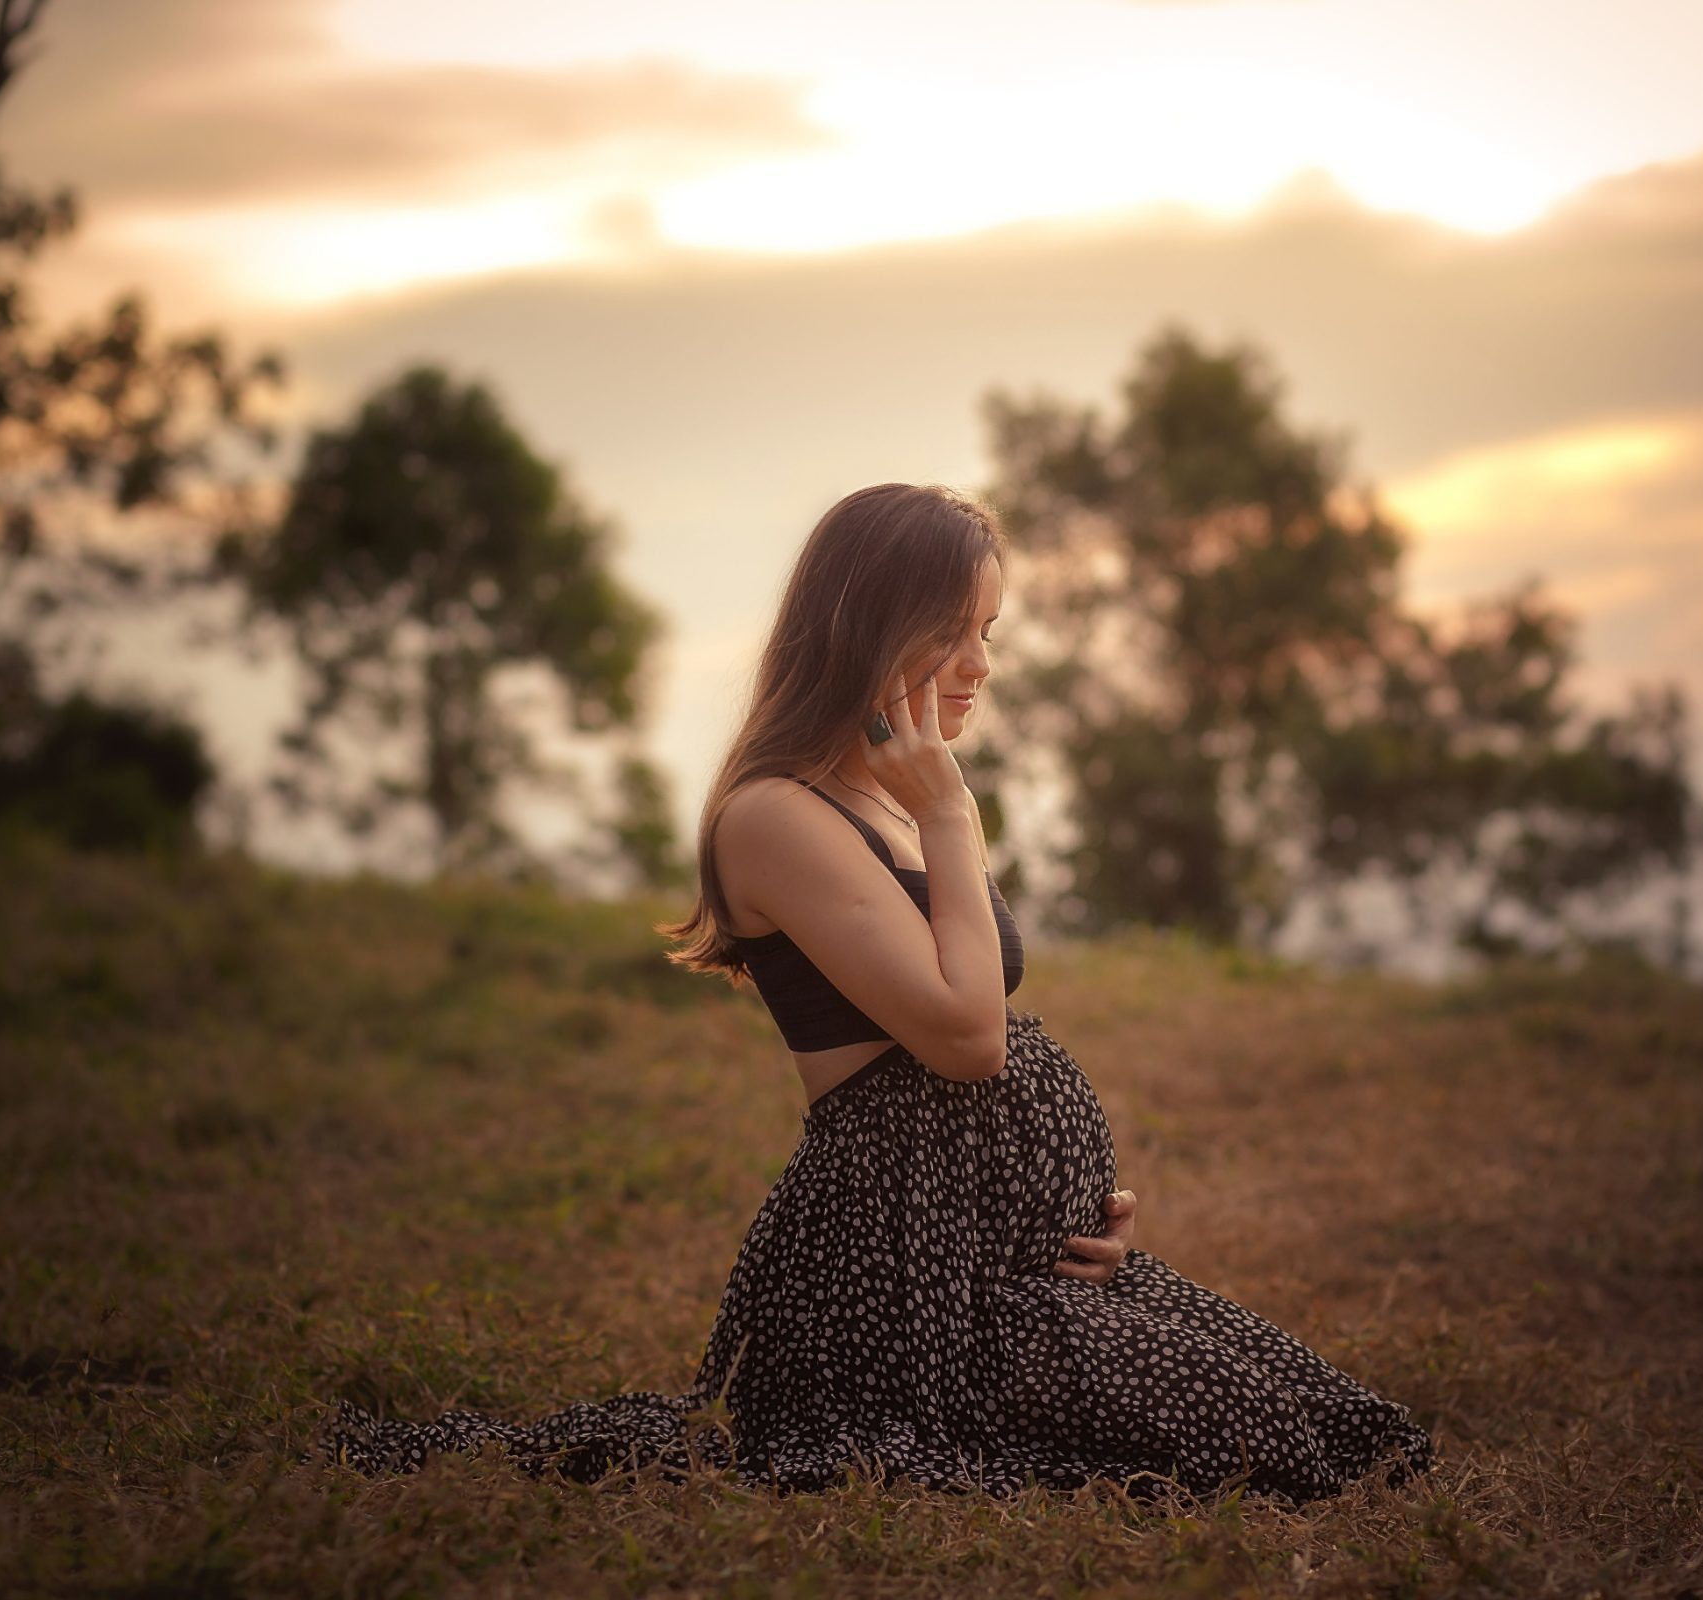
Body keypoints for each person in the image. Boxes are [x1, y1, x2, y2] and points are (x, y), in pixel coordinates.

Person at [315, 483, 1433, 1504]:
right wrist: (952, 814)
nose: (980, 663)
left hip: (1001, 1268)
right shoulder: (777, 816)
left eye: (989, 632)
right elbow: (965, 1039)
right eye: (952, 631)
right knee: (1258, 1452)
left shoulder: (899, 801)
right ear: (864, 626)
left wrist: (1064, 1210)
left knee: (1346, 1429)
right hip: (900, 1295)